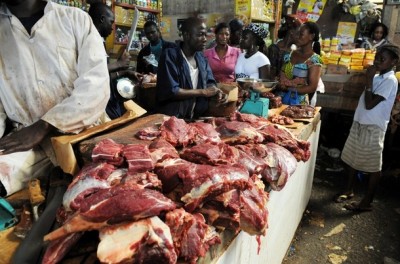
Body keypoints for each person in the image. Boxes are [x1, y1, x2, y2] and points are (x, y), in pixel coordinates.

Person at [0, 0, 110, 196]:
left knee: (113, 188)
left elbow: (96, 85)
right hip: (27, 140)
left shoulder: (75, 19)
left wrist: (45, 124)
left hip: (87, 132)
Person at [335, 44, 399, 212]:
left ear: (394, 62)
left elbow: (370, 104)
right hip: (361, 122)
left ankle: (367, 202)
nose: (377, 61)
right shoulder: (378, 77)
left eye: (382, 59)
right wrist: (370, 79)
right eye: (377, 57)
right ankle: (349, 189)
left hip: (373, 127)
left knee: (373, 166)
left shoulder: (390, 81)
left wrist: (369, 80)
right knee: (352, 157)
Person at [156, 17, 226, 119]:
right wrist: (202, 92)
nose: (205, 39)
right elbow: (171, 90)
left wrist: (216, 92)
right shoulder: (170, 56)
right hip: (172, 119)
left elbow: (210, 82)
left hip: (194, 117)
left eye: (205, 35)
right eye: (200, 35)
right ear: (186, 36)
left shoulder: (201, 58)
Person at [89, 2, 142, 119]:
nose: (112, 27)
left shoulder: (99, 40)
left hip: (106, 98)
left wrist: (124, 72)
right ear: (102, 19)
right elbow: (91, 72)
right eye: (111, 22)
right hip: (94, 101)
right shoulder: (89, 40)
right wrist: (119, 64)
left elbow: (103, 75)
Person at [277, 21, 322, 105]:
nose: (297, 37)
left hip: (298, 104)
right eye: (297, 33)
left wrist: (289, 89)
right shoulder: (289, 54)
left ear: (311, 36)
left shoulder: (314, 60)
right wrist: (280, 83)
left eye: (301, 34)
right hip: (280, 101)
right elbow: (281, 76)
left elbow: (312, 87)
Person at [267, 15, 301, 80]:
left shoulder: (296, 51)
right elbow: (271, 76)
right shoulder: (274, 49)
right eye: (299, 34)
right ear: (291, 32)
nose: (300, 37)